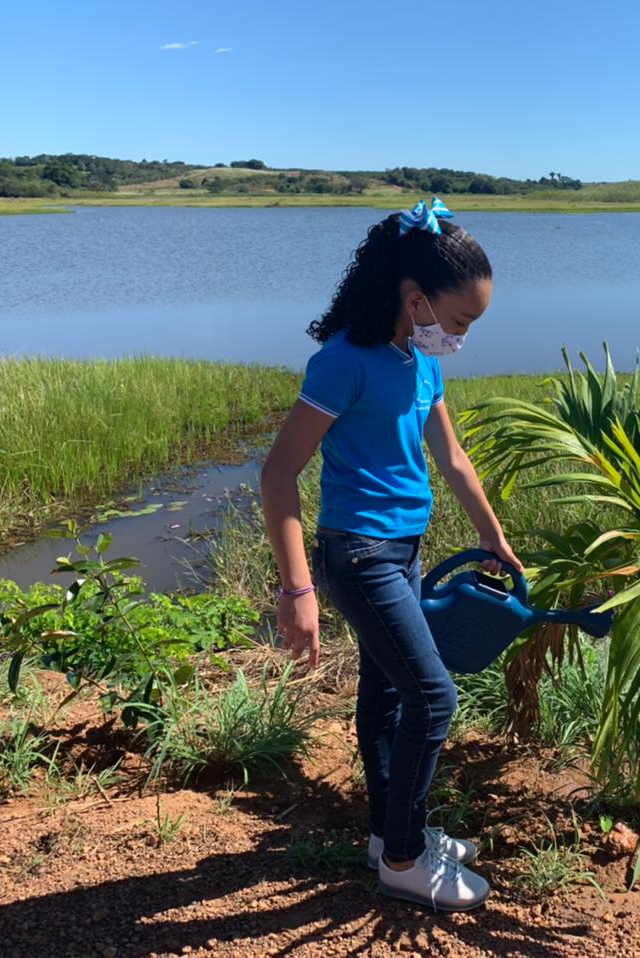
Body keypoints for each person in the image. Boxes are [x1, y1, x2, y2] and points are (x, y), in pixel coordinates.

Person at [259, 199, 523, 912]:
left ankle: (388, 834)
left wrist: (492, 535)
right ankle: (404, 859)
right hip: (358, 553)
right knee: (433, 698)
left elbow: (453, 457)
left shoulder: (421, 358)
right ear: (415, 299)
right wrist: (298, 590)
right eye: (461, 320)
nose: (464, 335)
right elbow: (279, 471)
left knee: (383, 699)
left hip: (403, 550)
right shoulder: (344, 362)